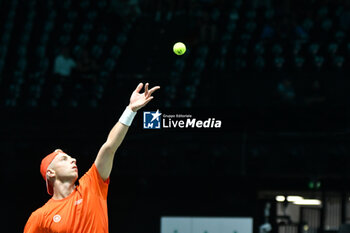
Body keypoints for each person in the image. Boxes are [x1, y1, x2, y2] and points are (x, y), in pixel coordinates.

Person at [24, 83, 160, 233]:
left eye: (71, 157)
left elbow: (109, 147)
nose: (73, 160)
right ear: (50, 173)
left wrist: (130, 110)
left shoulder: (92, 185)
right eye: (64, 159)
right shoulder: (40, 217)